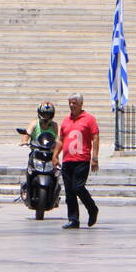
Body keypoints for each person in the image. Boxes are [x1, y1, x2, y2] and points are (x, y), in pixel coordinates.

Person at [53, 93, 99, 229]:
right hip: (67, 160)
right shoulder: (66, 120)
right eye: (70, 103)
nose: (72, 105)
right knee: (69, 192)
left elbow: (95, 138)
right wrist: (55, 155)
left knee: (78, 187)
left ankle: (92, 209)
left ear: (80, 104)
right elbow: (61, 140)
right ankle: (73, 219)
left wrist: (94, 158)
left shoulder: (89, 119)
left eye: (74, 103)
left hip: (82, 159)